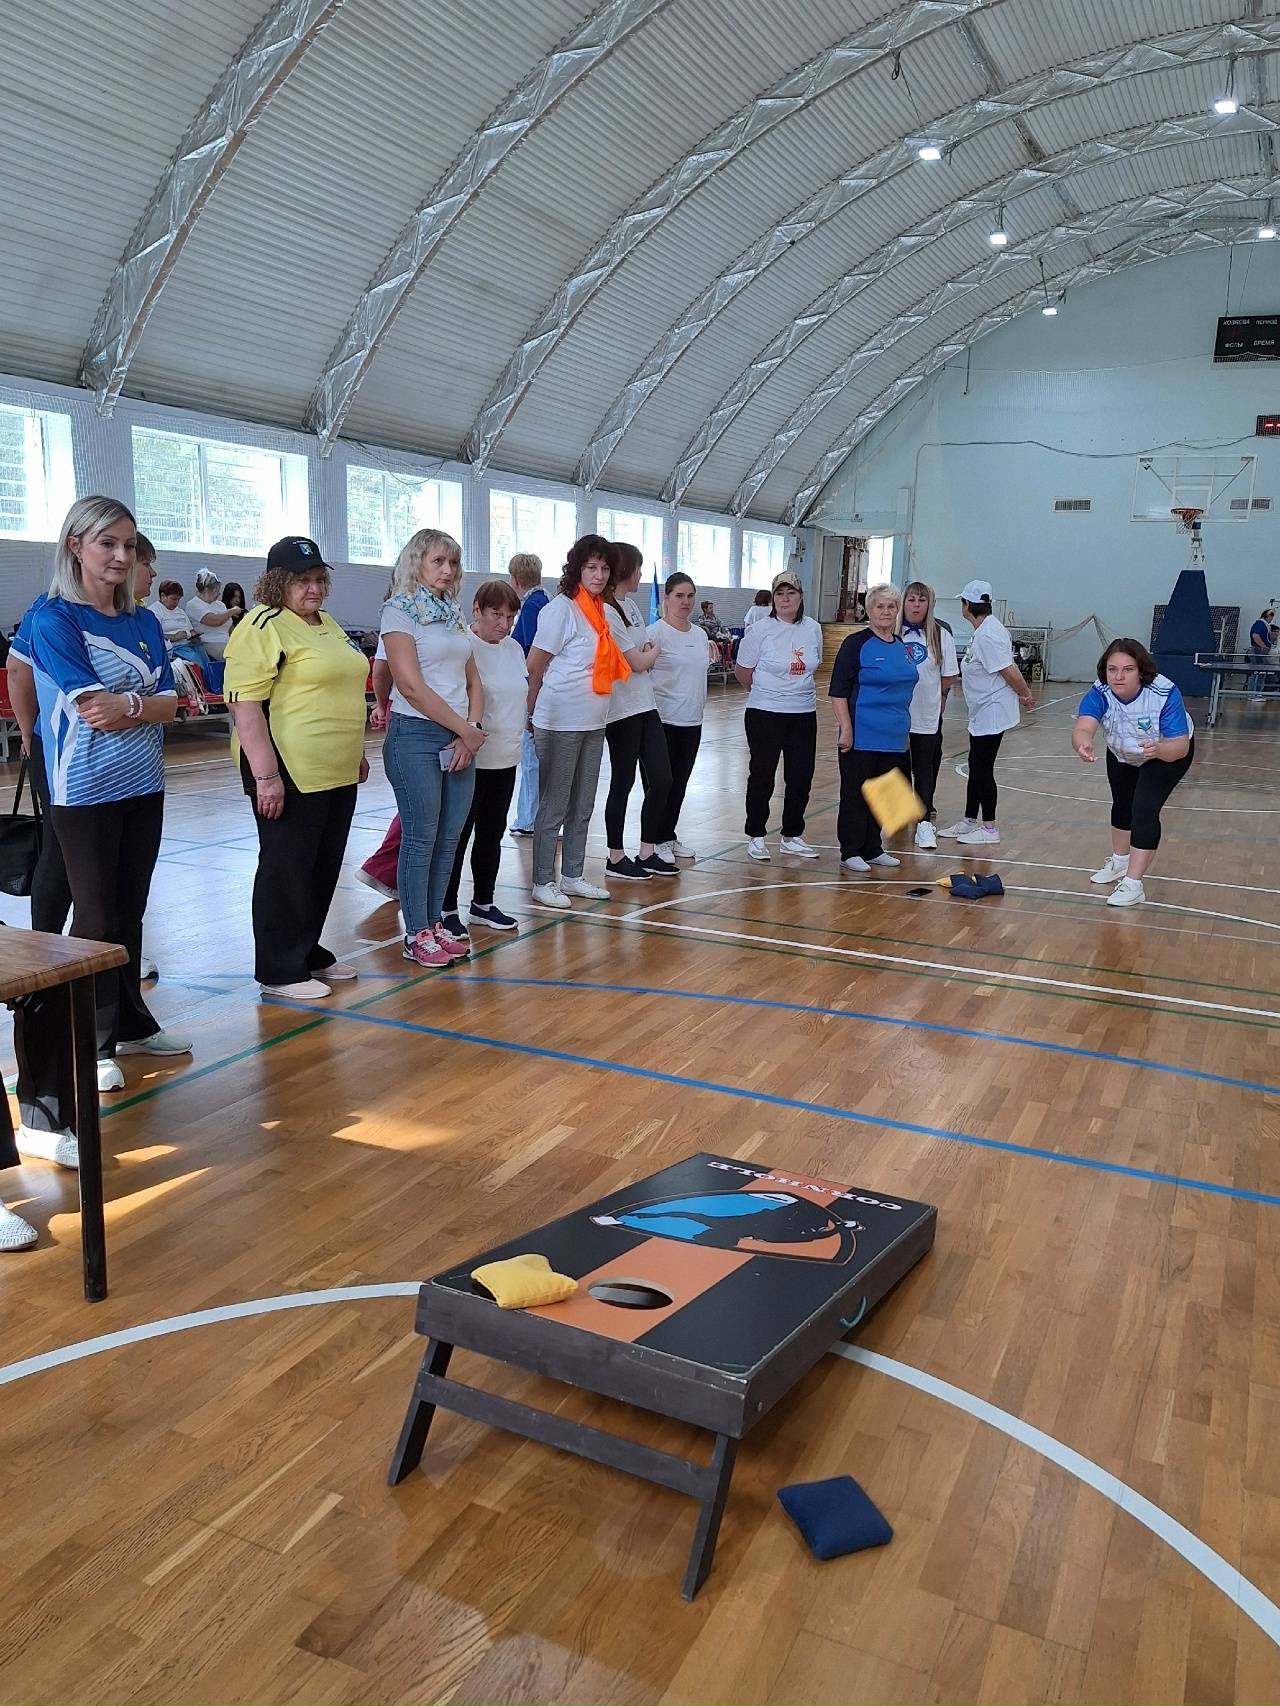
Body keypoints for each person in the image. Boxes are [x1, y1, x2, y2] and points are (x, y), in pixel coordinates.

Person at [24, 496, 189, 1111]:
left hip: (144, 783)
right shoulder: (53, 618)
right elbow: (94, 710)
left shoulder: (143, 621)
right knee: (94, 918)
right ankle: (89, 1043)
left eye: (129, 545)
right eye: (107, 544)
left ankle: (130, 1022)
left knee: (129, 911)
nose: (121, 556)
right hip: (83, 789)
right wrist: (140, 707)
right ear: (76, 546)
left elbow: (172, 705)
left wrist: (134, 706)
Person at [225, 536, 371, 997]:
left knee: (322, 865)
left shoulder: (327, 623)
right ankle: (278, 969)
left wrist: (356, 752)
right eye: (302, 580)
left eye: (319, 579)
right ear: (276, 583)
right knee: (286, 867)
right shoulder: (261, 625)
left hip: (336, 767)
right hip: (286, 768)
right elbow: (245, 705)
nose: (314, 589)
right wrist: (266, 777)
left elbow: (342, 688)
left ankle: (305, 949)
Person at [380, 528, 485, 968]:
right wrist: (465, 730)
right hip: (416, 735)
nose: (447, 570)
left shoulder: (452, 611)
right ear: (417, 562)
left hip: (459, 737)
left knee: (449, 837)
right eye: (438, 561)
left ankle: (435, 923)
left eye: (453, 562)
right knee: (420, 837)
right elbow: (410, 686)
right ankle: (415, 932)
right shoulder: (398, 611)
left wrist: (470, 729)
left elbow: (473, 680)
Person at [525, 534, 628, 909]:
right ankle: (542, 880)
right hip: (560, 720)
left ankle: (572, 875)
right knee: (554, 805)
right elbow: (534, 665)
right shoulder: (562, 609)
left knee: (583, 805)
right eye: (591, 567)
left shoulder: (600, 611)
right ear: (577, 569)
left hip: (593, 720)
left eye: (605, 568)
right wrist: (530, 711)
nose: (599, 575)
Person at [1071, 638, 1194, 908]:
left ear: (1141, 671)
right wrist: (1083, 743)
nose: (1118, 676)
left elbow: (1180, 746)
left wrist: (1158, 750)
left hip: (1165, 751)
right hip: (1122, 751)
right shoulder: (1100, 693)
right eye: (1112, 669)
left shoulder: (1164, 693)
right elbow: (1083, 727)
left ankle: (1134, 884)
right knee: (1122, 802)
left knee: (1144, 809)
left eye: (1127, 669)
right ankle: (1120, 861)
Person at [440, 580, 527, 938]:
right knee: (457, 836)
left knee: (491, 833)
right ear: (476, 609)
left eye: (510, 617)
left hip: (506, 757)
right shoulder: (464, 645)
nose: (504, 624)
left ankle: (483, 903)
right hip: (472, 758)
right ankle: (445, 908)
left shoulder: (514, 649)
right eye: (496, 615)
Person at [734, 568, 824, 861]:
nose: (785, 599)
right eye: (780, 594)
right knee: (762, 775)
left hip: (803, 713)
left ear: (801, 597)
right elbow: (743, 672)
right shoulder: (759, 631)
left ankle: (792, 835)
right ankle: (756, 835)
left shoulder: (813, 628)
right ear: (773, 599)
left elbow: (814, 663)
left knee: (800, 777)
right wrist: (766, 693)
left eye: (791, 593)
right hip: (765, 712)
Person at [829, 584, 919, 872]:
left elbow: (905, 691)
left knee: (885, 793)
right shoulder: (856, 645)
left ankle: (872, 848)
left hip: (894, 736)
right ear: (869, 610)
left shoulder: (901, 646)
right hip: (862, 734)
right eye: (880, 606)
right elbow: (838, 691)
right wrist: (846, 728)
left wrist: (904, 732)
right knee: (856, 793)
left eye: (891, 606)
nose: (886, 611)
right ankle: (850, 851)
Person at [939, 579, 1034, 847]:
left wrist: (1025, 694)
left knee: (982, 768)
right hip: (981, 710)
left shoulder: (989, 634)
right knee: (976, 765)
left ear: (966, 605)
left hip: (992, 710)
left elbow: (1009, 671)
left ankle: (989, 828)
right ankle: (969, 821)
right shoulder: (983, 630)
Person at [602, 541, 671, 881]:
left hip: (646, 703)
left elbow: (642, 655)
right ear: (626, 570)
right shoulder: (607, 611)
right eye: (638, 568)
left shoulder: (631, 606)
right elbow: (639, 660)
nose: (641, 575)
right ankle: (615, 857)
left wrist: (647, 654)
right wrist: (652, 652)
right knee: (623, 780)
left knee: (662, 778)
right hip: (621, 709)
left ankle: (647, 851)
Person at [647, 571, 717, 861]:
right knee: (659, 784)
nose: (685, 601)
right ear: (666, 598)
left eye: (690, 596)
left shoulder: (700, 635)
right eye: (679, 596)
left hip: (692, 720)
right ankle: (653, 840)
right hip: (662, 721)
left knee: (680, 782)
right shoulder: (654, 633)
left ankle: (668, 835)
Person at [899, 580, 959, 849]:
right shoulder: (892, 632)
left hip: (925, 714)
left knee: (924, 768)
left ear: (929, 604)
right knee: (895, 766)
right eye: (911, 600)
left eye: (922, 600)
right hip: (896, 714)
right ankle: (898, 815)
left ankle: (924, 822)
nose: (916, 605)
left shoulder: (940, 635)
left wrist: (933, 693)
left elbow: (949, 675)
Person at [509, 552, 548, 835]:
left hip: (534, 687)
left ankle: (529, 818)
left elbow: (531, 653)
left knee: (531, 756)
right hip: (541, 686)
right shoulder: (544, 600)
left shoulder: (533, 606)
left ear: (514, 579)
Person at [186, 570, 234, 692]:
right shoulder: (193, 604)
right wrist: (232, 611)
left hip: (227, 641)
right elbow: (215, 620)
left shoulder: (220, 605)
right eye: (217, 590)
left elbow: (229, 626)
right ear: (208, 589)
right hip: (209, 642)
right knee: (236, 656)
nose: (219, 593)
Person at [1247, 606, 1275, 699]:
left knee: (1261, 672)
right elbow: (1255, 636)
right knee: (1258, 672)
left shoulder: (1265, 626)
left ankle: (1257, 692)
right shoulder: (1259, 624)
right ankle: (1253, 693)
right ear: (1268, 616)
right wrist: (1263, 646)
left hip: (1261, 651)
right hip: (1258, 650)